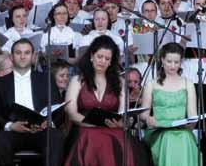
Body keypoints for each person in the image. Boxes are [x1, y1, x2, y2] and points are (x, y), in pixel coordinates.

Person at [64, 35, 150, 166]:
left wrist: (122, 123)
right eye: (99, 57)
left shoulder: (120, 82)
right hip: (84, 128)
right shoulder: (78, 80)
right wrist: (91, 124)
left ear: (111, 62)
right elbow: (71, 111)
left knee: (122, 140)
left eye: (107, 58)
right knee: (91, 138)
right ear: (92, 56)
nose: (102, 61)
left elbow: (123, 112)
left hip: (113, 129)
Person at [0, 39, 65, 166]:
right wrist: (10, 125)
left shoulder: (46, 79)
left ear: (33, 56)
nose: (23, 56)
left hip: (41, 130)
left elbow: (59, 109)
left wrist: (49, 123)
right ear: (12, 57)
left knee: (56, 137)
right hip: (14, 131)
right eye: (18, 53)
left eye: (27, 53)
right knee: (0, 141)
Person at [140, 43, 199, 166]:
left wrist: (191, 122)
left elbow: (193, 115)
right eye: (169, 61)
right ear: (162, 60)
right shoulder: (152, 84)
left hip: (182, 130)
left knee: (185, 138)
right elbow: (144, 114)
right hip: (159, 130)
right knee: (168, 138)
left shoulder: (188, 83)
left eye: (176, 62)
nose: (173, 65)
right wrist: (149, 118)